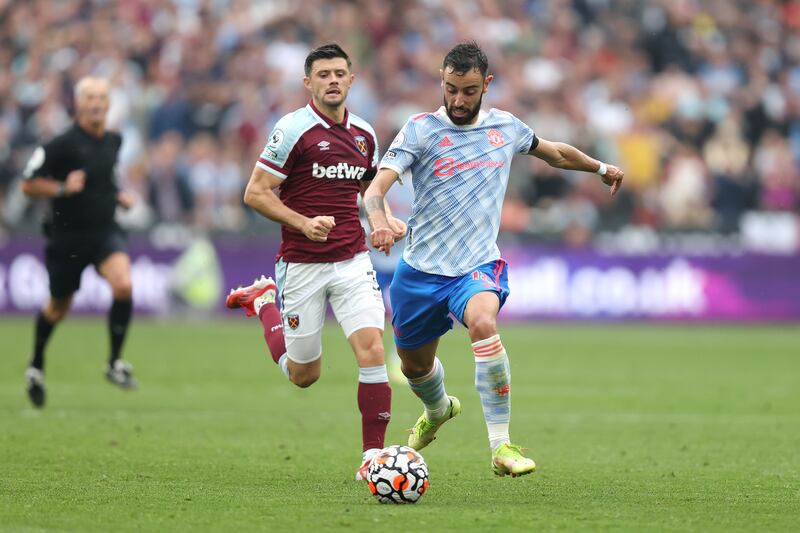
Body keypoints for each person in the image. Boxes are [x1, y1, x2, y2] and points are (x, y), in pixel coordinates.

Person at [364, 42, 624, 477]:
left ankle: (501, 445)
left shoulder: (505, 127)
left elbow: (555, 152)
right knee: (415, 367)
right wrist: (378, 221)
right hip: (421, 271)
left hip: (476, 266)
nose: (458, 100)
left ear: (486, 84)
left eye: (468, 90)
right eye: (450, 89)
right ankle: (439, 408)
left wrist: (601, 169)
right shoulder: (419, 130)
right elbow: (376, 190)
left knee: (484, 323)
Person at [225, 43, 407, 480]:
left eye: (339, 73)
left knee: (373, 348)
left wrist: (382, 221)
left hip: (351, 259)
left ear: (351, 79)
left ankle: (372, 460)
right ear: (308, 82)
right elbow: (255, 192)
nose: (332, 80)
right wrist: (302, 223)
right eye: (322, 74)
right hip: (302, 262)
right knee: (304, 375)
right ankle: (264, 301)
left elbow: (368, 191)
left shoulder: (365, 134)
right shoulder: (293, 130)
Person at [21, 77, 138, 408]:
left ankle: (115, 362)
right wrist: (61, 189)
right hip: (67, 237)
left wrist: (120, 196)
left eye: (102, 97)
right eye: (90, 97)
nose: (97, 103)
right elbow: (27, 184)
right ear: (78, 103)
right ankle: (36, 364)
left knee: (124, 285)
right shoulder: (59, 144)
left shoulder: (114, 140)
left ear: (109, 103)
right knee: (58, 308)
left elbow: (105, 179)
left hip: (104, 232)